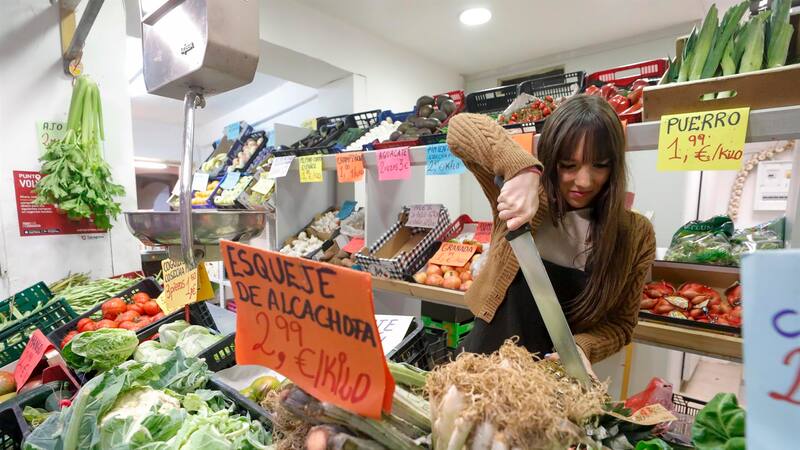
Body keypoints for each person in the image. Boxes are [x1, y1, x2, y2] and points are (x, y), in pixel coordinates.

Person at [446, 94, 656, 370]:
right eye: (568, 165)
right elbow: (460, 128)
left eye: (600, 166)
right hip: (485, 362)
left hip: (554, 382)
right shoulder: (523, 202)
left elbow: (621, 324)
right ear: (552, 156)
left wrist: (583, 348)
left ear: (614, 166)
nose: (583, 181)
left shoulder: (635, 235)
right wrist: (523, 172)